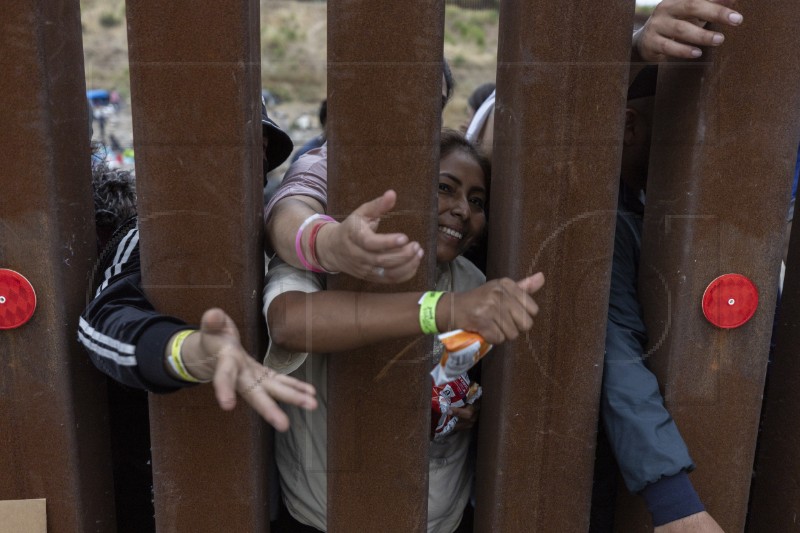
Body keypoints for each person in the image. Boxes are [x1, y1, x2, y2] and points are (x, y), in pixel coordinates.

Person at [263, 130, 545, 532]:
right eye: (445, 188)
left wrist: (465, 408)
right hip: (324, 514)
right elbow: (291, 325)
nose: (463, 209)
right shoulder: (328, 257)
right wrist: (441, 310)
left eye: (477, 201)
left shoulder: (472, 281)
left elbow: (461, 371)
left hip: (436, 516)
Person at [78, 104, 317, 430]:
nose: (247, 163)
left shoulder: (271, 232)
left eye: (260, 148)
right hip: (167, 448)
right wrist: (186, 350)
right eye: (219, 148)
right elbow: (105, 320)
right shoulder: (148, 234)